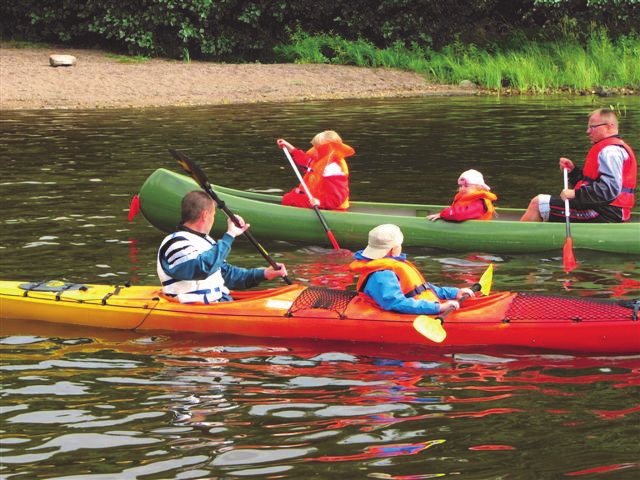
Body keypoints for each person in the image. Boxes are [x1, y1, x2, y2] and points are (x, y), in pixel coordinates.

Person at [157, 190, 288, 304]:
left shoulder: (206, 241)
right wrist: (230, 235)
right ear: (205, 215)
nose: (213, 220)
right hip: (196, 309)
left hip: (220, 303)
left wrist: (264, 274)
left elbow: (228, 275)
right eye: (213, 215)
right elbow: (201, 269)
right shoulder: (175, 242)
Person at [520, 108, 636, 223]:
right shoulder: (609, 148)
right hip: (603, 209)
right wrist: (573, 172)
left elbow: (609, 190)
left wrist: (575, 193)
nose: (588, 131)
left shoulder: (610, 151)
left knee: (538, 204)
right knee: (545, 203)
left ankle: (517, 240)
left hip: (605, 213)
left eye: (592, 127)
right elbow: (592, 184)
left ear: (609, 126)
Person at [349, 224, 476, 315]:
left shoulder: (389, 267)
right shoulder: (382, 275)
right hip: (394, 313)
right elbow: (395, 303)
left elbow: (420, 288)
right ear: (395, 249)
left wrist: (454, 293)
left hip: (421, 306)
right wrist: (438, 308)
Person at [277, 130, 355, 210]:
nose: (314, 150)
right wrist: (290, 149)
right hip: (316, 199)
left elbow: (337, 197)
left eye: (318, 148)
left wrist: (319, 202)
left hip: (329, 205)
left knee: (289, 199)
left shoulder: (333, 167)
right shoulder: (320, 160)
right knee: (291, 196)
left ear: (327, 148)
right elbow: (306, 162)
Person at [427, 169, 497, 222]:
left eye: (466, 186)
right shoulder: (462, 198)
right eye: (460, 186)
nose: (462, 188)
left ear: (479, 188)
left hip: (474, 232)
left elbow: (462, 214)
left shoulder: (480, 202)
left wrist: (443, 214)